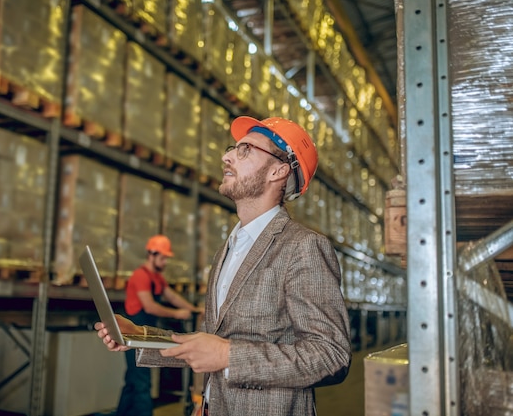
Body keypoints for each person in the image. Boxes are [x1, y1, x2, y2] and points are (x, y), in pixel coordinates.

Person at [97, 116, 352, 416]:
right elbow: (206, 345)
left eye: (245, 150)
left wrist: (229, 355)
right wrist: (138, 336)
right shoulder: (228, 249)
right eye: (234, 148)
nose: (227, 156)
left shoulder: (301, 247)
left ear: (278, 171)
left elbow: (331, 355)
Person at [115, 234, 204, 416]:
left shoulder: (156, 277)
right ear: (152, 254)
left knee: (133, 379)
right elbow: (149, 306)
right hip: (135, 331)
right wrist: (177, 314)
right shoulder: (140, 276)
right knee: (141, 380)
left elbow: (172, 296)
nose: (165, 262)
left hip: (145, 331)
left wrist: (194, 309)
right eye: (163, 258)